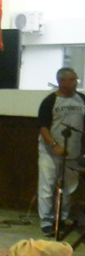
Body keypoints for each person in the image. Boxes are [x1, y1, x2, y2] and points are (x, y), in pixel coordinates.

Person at [36, 68, 84, 237]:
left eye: (76, 80)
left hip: (73, 153)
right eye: (72, 80)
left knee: (69, 188)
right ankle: (47, 221)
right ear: (61, 82)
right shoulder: (50, 101)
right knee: (47, 186)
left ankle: (61, 219)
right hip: (50, 152)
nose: (75, 83)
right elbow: (43, 127)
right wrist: (54, 144)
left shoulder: (81, 100)